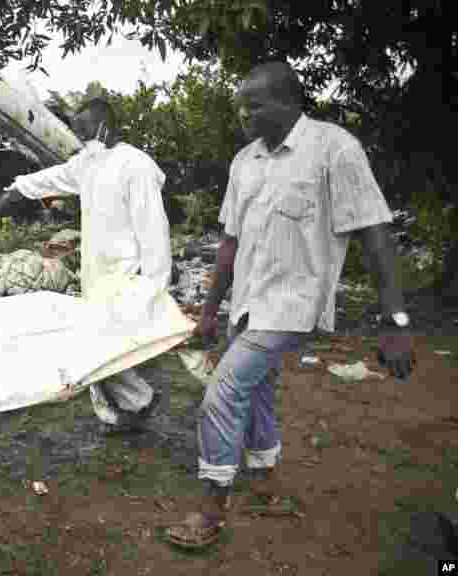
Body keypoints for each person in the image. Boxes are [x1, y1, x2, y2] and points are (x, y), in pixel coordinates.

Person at [162, 62, 415, 549]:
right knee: (255, 390)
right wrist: (211, 310)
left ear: (286, 102)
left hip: (296, 303)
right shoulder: (244, 162)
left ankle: (211, 510)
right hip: (251, 303)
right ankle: (267, 488)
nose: (244, 114)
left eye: (253, 105)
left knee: (224, 390)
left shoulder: (333, 148)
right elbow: (230, 242)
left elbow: (375, 231)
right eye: (242, 105)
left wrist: (396, 319)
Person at [0, 97, 172, 432]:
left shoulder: (135, 165)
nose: (81, 138)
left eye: (85, 130)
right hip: (95, 270)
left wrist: (154, 284)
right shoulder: (88, 163)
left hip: (125, 271)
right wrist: (17, 189)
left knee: (100, 343)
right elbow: (54, 177)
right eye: (77, 132)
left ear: (105, 125)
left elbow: (153, 228)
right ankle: (123, 411)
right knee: (99, 342)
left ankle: (136, 403)